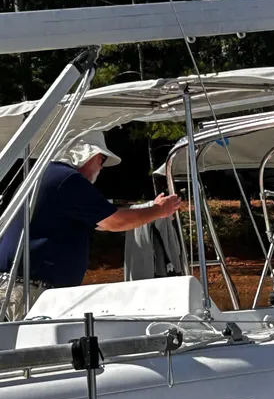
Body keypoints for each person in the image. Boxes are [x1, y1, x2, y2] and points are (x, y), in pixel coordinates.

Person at [0, 131, 182, 321]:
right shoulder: (68, 180)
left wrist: (151, 210)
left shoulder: (48, 176)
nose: (101, 167)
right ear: (86, 154)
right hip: (28, 293)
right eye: (101, 159)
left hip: (21, 287)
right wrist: (158, 211)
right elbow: (113, 221)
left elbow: (100, 219)